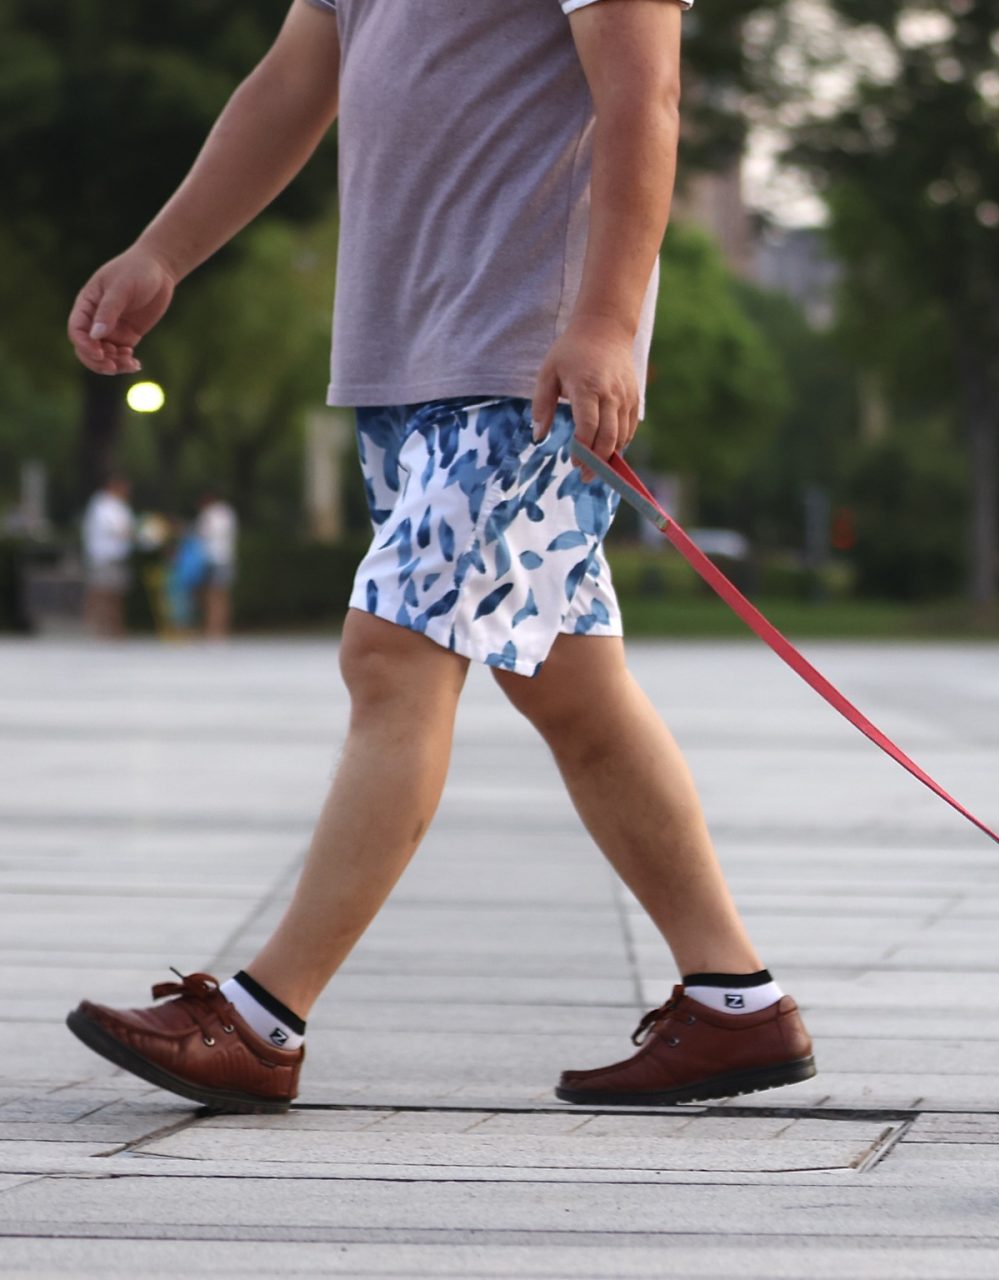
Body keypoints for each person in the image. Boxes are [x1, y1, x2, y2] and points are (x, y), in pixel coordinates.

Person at [61, 0, 813, 1113]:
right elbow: (289, 84)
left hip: (526, 363)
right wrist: (164, 249)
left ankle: (264, 1020)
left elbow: (643, 93)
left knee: (393, 659)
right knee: (572, 686)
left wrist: (607, 318)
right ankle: (733, 1003)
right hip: (409, 359)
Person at [81, 476, 134, 638]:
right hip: (105, 558)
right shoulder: (103, 506)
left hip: (114, 558)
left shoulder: (117, 506)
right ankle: (100, 628)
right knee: (103, 593)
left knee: (114, 594)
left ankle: (113, 629)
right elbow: (118, 530)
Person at [196, 492, 237, 638]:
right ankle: (215, 629)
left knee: (216, 596)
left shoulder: (216, 514)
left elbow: (204, 534)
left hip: (218, 559)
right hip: (217, 559)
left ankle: (216, 630)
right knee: (215, 596)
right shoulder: (226, 513)